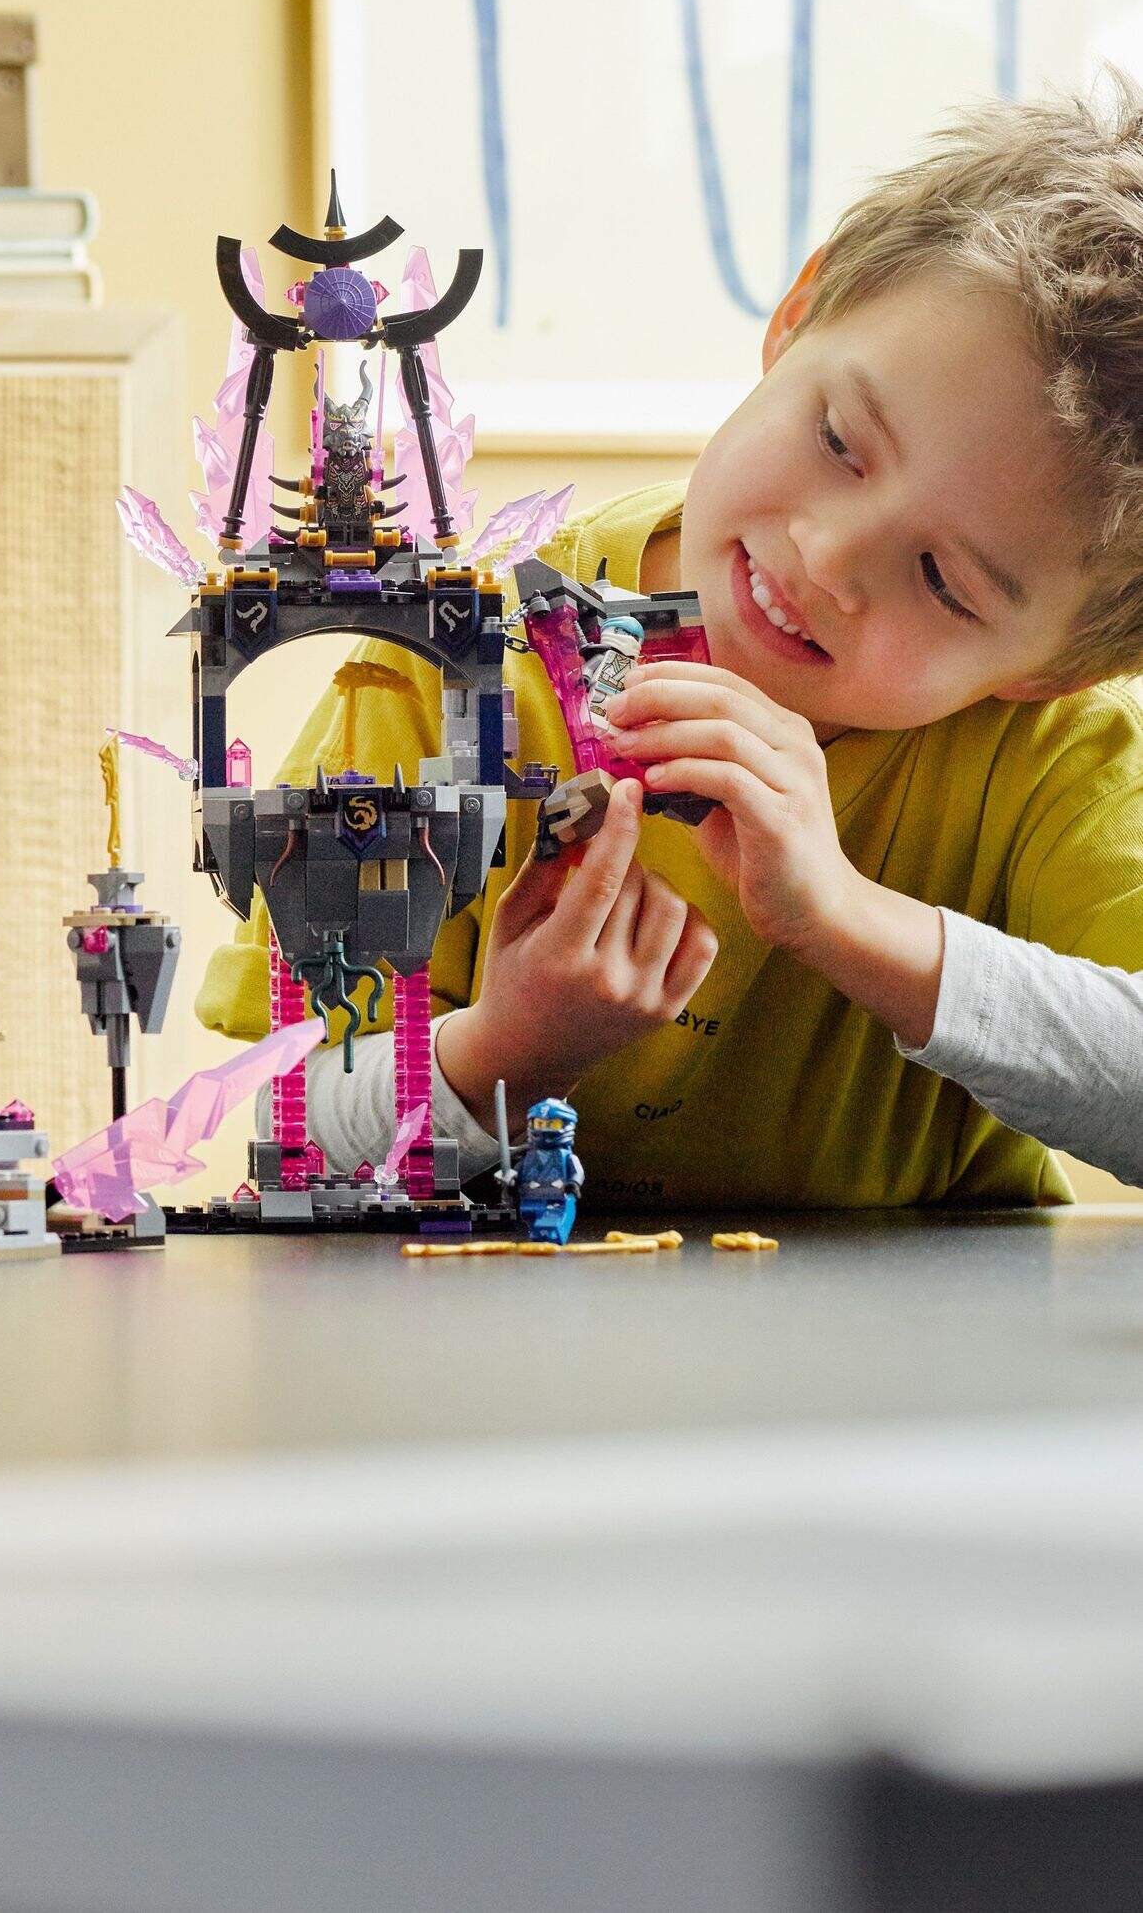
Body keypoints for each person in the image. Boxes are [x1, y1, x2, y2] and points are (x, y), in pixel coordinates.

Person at [197, 86, 1143, 1211]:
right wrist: (507, 1050)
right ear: (797, 314)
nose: (827, 557)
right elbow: (286, 1127)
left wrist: (846, 919)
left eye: (944, 582)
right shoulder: (453, 650)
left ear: (1052, 670)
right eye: (839, 440)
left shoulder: (1063, 754)